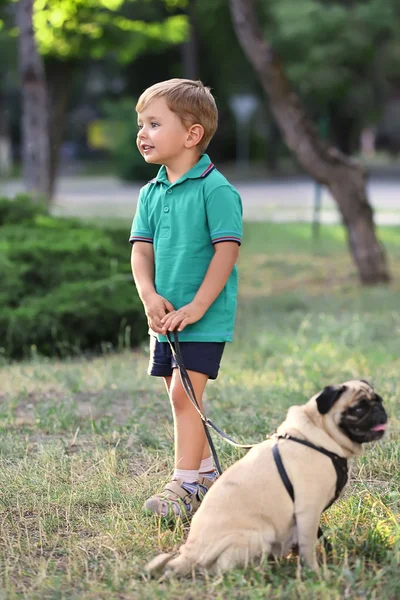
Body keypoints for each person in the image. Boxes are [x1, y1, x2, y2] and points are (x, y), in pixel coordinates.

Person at [130, 78, 243, 520]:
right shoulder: (151, 192)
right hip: (164, 316)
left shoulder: (216, 190)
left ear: (192, 135)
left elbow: (226, 252)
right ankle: (209, 472)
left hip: (203, 317)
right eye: (141, 124)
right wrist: (148, 296)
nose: (142, 133)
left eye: (155, 123)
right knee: (178, 395)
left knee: (184, 394)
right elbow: (141, 249)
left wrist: (197, 307)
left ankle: (184, 484)